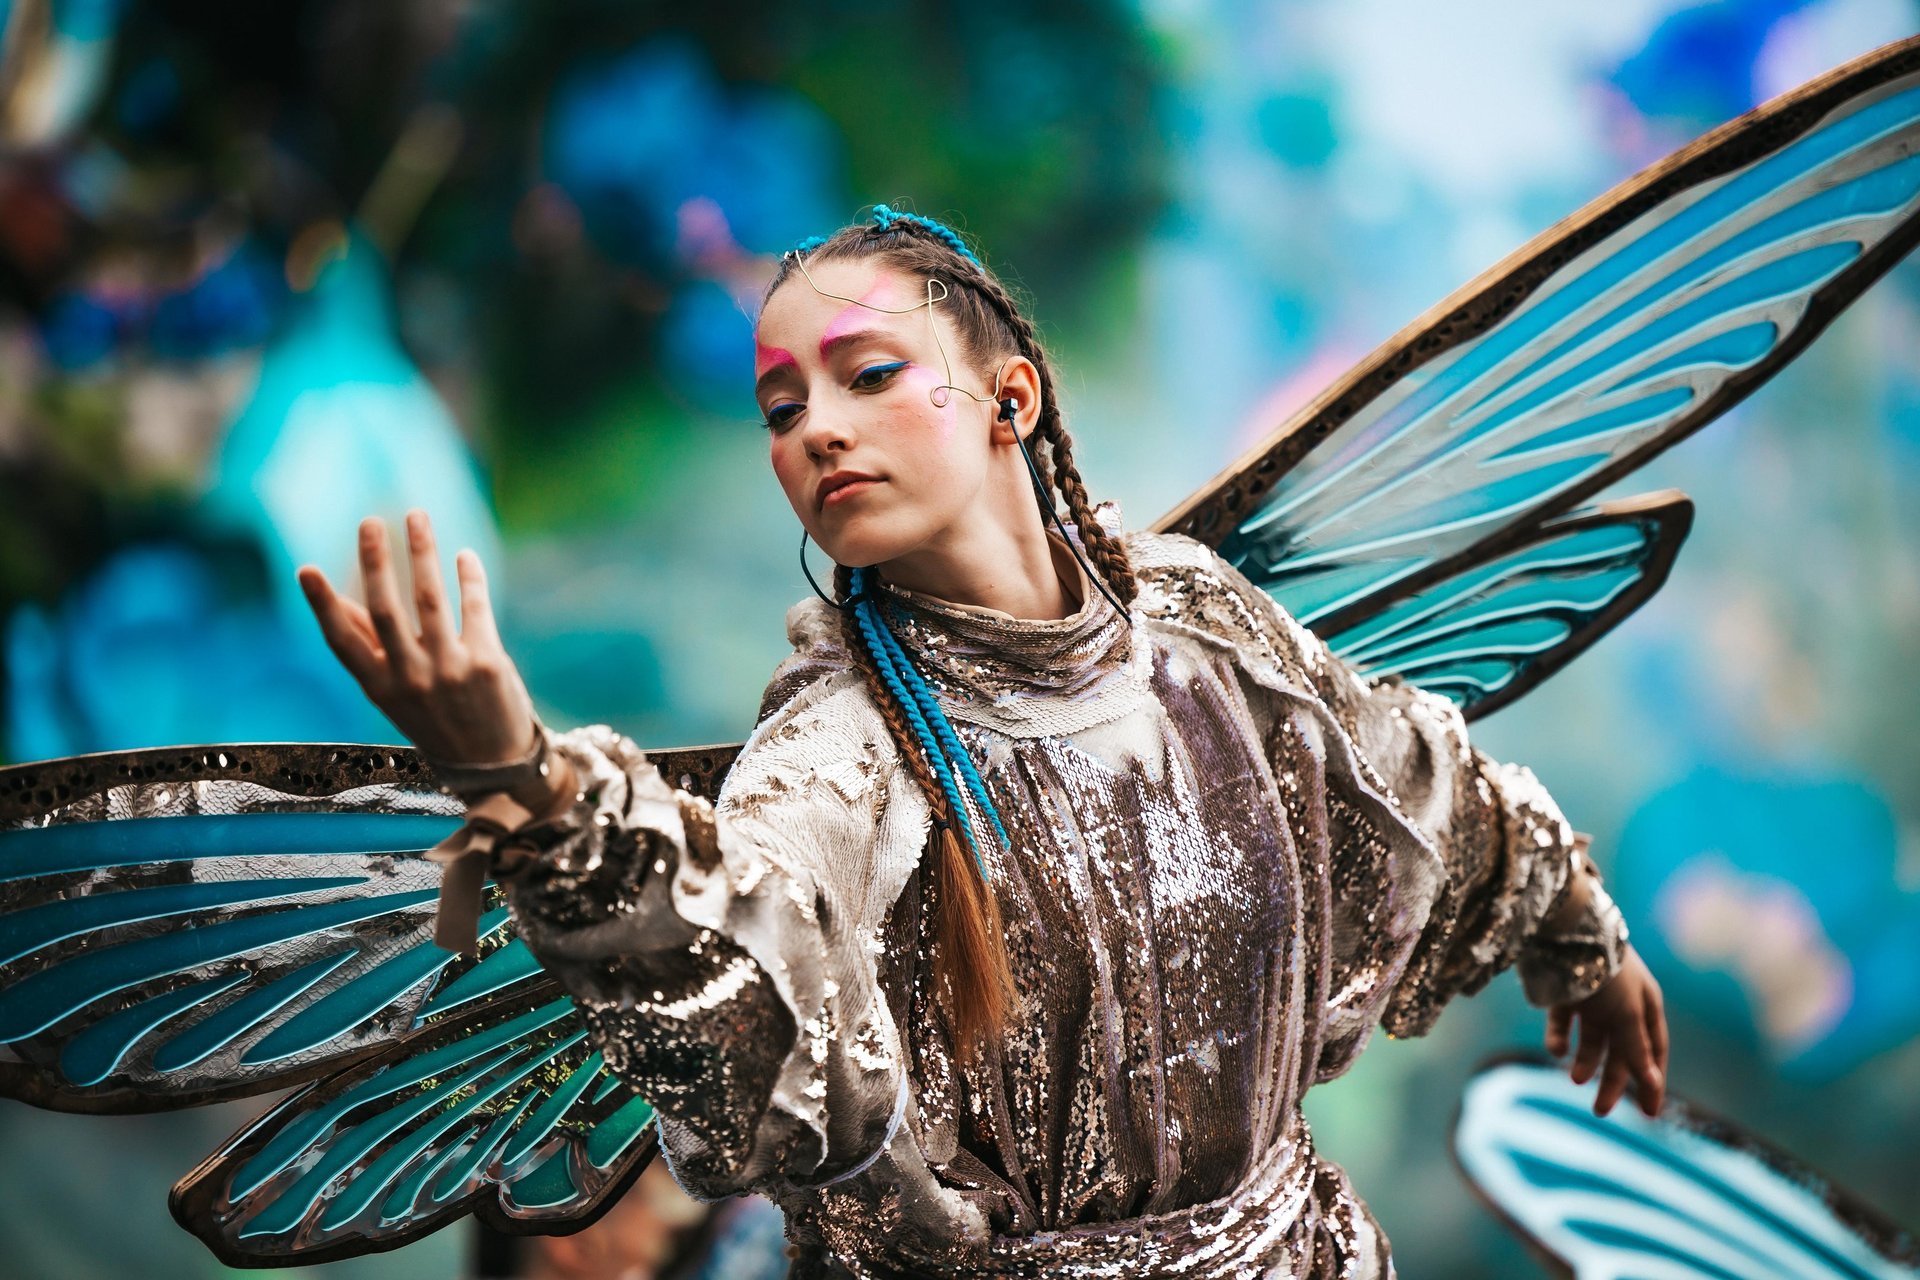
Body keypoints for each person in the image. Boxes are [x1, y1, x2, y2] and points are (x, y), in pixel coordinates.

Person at [296, 206, 1668, 1278]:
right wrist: (538, 797)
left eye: (868, 375)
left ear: (1011, 399)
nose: (816, 428)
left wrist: (1576, 929)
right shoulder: (842, 753)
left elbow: (1413, 781)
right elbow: (740, 985)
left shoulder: (1196, 623)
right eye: (782, 410)